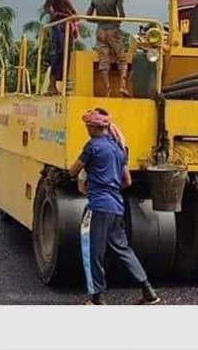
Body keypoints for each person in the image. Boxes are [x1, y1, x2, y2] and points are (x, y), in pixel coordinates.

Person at [68, 108, 160, 305]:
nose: (86, 129)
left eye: (87, 126)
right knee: (123, 249)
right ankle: (148, 291)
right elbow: (127, 181)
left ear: (93, 127)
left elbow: (73, 170)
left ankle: (97, 299)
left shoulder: (92, 147)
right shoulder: (118, 148)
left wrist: (91, 183)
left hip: (98, 207)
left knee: (93, 251)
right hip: (116, 206)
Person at [87, 0, 128, 97]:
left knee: (103, 61)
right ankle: (122, 85)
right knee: (122, 59)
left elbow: (88, 16)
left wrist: (100, 21)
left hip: (100, 31)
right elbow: (122, 15)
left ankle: (108, 88)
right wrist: (115, 21)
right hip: (113, 30)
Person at [43, 0, 79, 96]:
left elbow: (47, 5)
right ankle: (53, 85)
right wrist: (74, 12)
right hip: (63, 22)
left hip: (58, 20)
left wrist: (54, 15)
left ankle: (53, 85)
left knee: (59, 52)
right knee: (62, 52)